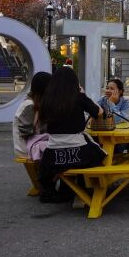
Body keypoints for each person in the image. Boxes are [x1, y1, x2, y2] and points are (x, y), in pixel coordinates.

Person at [36, 66, 105, 203]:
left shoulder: (47, 99)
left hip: (53, 154)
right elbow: (99, 112)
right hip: (79, 152)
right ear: (75, 82)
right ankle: (82, 187)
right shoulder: (78, 97)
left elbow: (41, 121)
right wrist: (82, 94)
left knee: (55, 166)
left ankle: (61, 189)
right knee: (100, 154)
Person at [12, 72, 51, 159]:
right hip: (26, 148)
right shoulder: (29, 105)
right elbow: (27, 133)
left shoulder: (35, 104)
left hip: (31, 145)